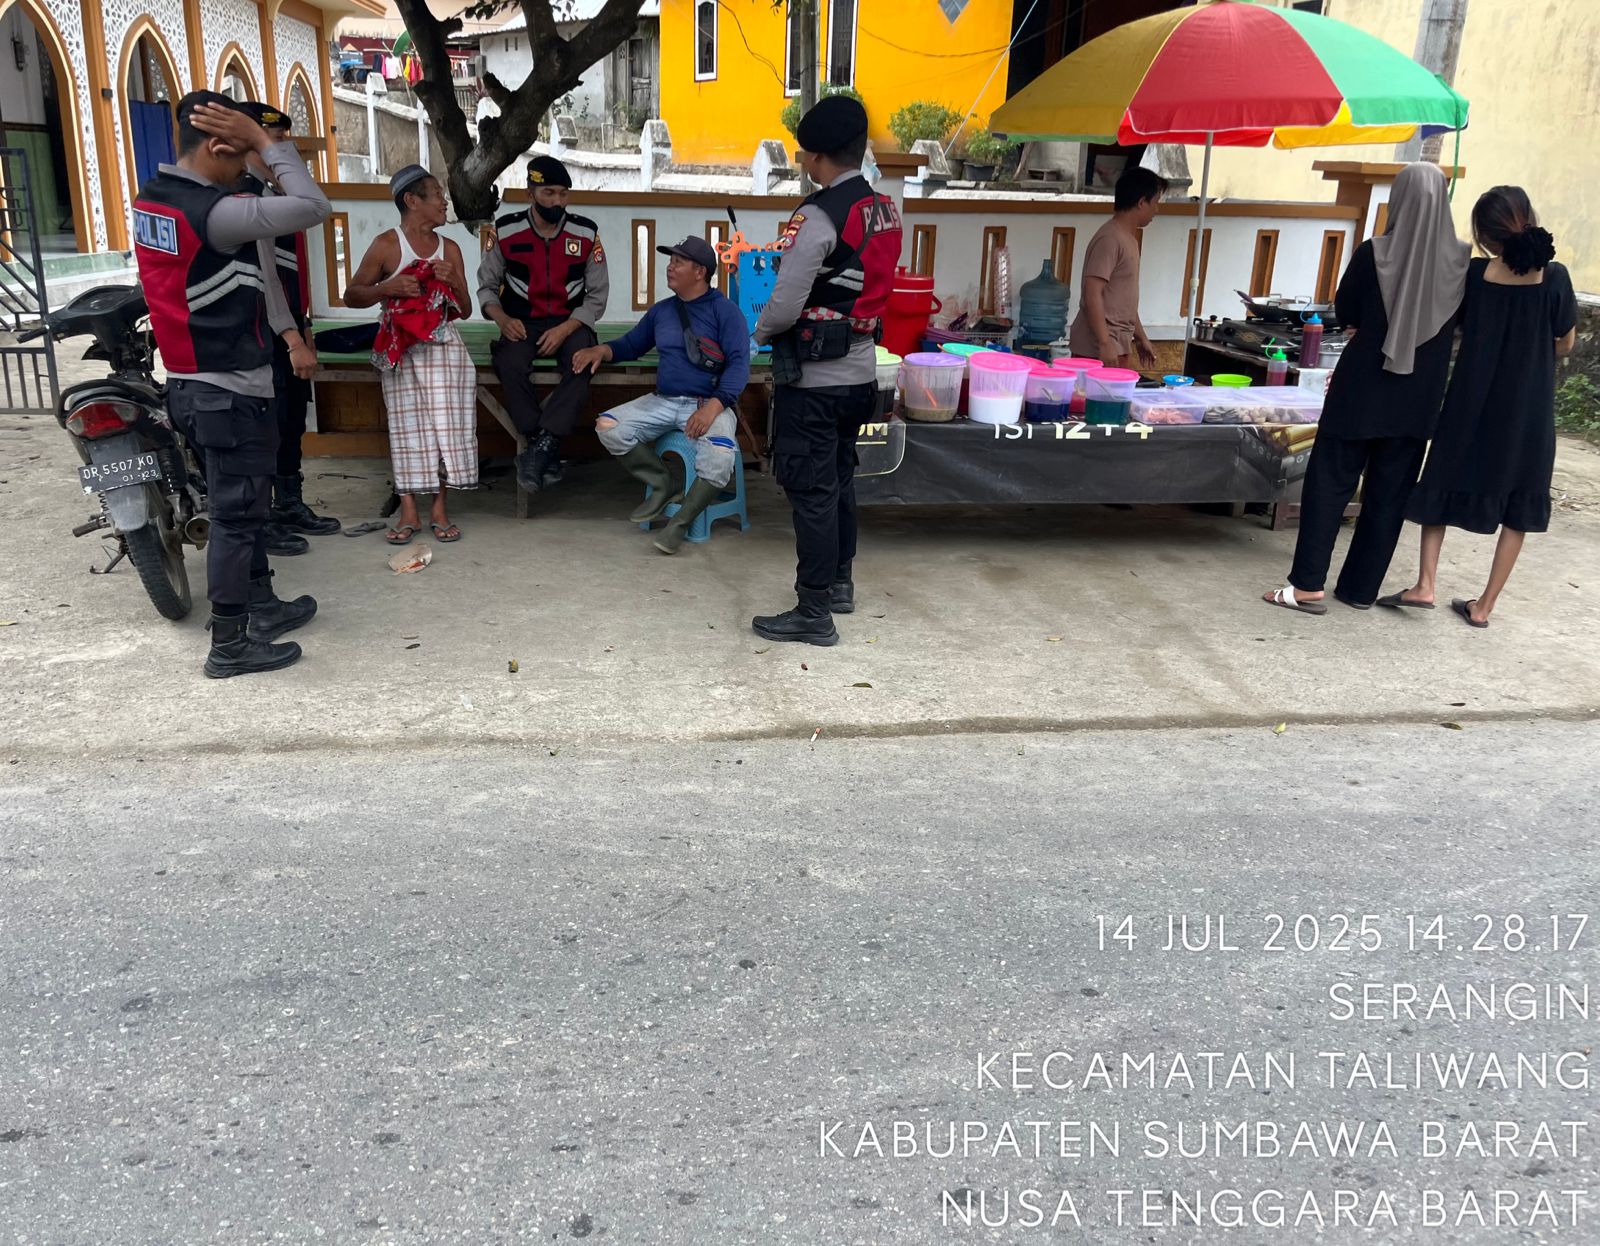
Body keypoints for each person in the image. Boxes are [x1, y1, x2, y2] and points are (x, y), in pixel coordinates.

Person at [132, 91, 330, 678]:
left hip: (191, 383)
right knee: (237, 518)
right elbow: (313, 205)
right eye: (241, 154)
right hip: (229, 389)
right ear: (218, 146)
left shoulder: (153, 199)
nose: (248, 166)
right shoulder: (215, 213)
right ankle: (229, 644)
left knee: (242, 506)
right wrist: (266, 139)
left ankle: (261, 603)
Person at [1262, 162, 1469, 616]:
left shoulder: (1374, 252)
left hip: (1361, 389)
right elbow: (1462, 324)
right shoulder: (1463, 261)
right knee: (1390, 494)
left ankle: (1307, 586)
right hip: (1419, 397)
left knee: (1330, 482)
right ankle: (1359, 589)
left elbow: (1346, 310)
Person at [1386, 186, 1578, 627]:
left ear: (1485, 234)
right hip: (1527, 409)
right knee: (1520, 502)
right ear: (1529, 216)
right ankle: (1484, 606)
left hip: (1470, 400)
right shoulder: (1555, 277)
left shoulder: (1475, 275)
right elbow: (1565, 342)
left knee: (1442, 479)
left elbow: (1450, 325)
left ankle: (1425, 585)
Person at [749, 95, 902, 646]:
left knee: (811, 491)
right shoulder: (885, 209)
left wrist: (757, 333)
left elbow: (785, 303)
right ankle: (840, 583)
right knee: (838, 480)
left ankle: (814, 611)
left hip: (814, 381)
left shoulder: (816, 216)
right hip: (861, 376)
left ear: (815, 157)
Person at [572, 236, 749, 554]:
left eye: (678, 262)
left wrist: (712, 408)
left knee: (720, 458)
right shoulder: (662, 311)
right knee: (609, 427)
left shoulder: (726, 312)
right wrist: (602, 350)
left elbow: (739, 366)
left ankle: (680, 523)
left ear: (700, 271)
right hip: (664, 401)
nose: (670, 267)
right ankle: (663, 483)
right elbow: (632, 345)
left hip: (709, 403)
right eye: (671, 260)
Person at [343, 165, 477, 545]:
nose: (445, 202)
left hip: (444, 351)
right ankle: (409, 513)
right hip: (400, 349)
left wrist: (454, 282)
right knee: (406, 430)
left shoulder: (450, 249)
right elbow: (352, 295)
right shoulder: (388, 245)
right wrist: (387, 288)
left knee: (445, 430)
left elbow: (465, 310)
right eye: (438, 195)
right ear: (412, 201)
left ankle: (439, 510)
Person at [235, 102, 342, 542]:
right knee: (270, 422)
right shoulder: (247, 196)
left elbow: (294, 271)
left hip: (291, 323)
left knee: (292, 417)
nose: (282, 151)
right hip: (265, 331)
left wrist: (305, 328)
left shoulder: (275, 194)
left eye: (283, 141)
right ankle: (263, 517)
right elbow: (265, 277)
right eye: (273, 142)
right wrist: (291, 338)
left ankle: (289, 504)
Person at [476, 155, 608, 493]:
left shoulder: (586, 232)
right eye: (548, 193)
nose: (557, 201)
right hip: (521, 322)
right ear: (530, 194)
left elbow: (597, 297)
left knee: (583, 362)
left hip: (571, 323)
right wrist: (503, 319)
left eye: (563, 194)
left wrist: (565, 329)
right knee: (509, 363)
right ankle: (542, 443)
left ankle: (539, 450)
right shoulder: (506, 231)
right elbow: (487, 287)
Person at [1068, 166, 1166, 370]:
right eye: (1155, 202)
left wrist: (1141, 337)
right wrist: (1104, 343)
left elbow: (1123, 301)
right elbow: (1092, 293)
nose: (1157, 210)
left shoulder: (1129, 239)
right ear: (1141, 202)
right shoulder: (1110, 238)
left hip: (1117, 345)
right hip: (1097, 349)